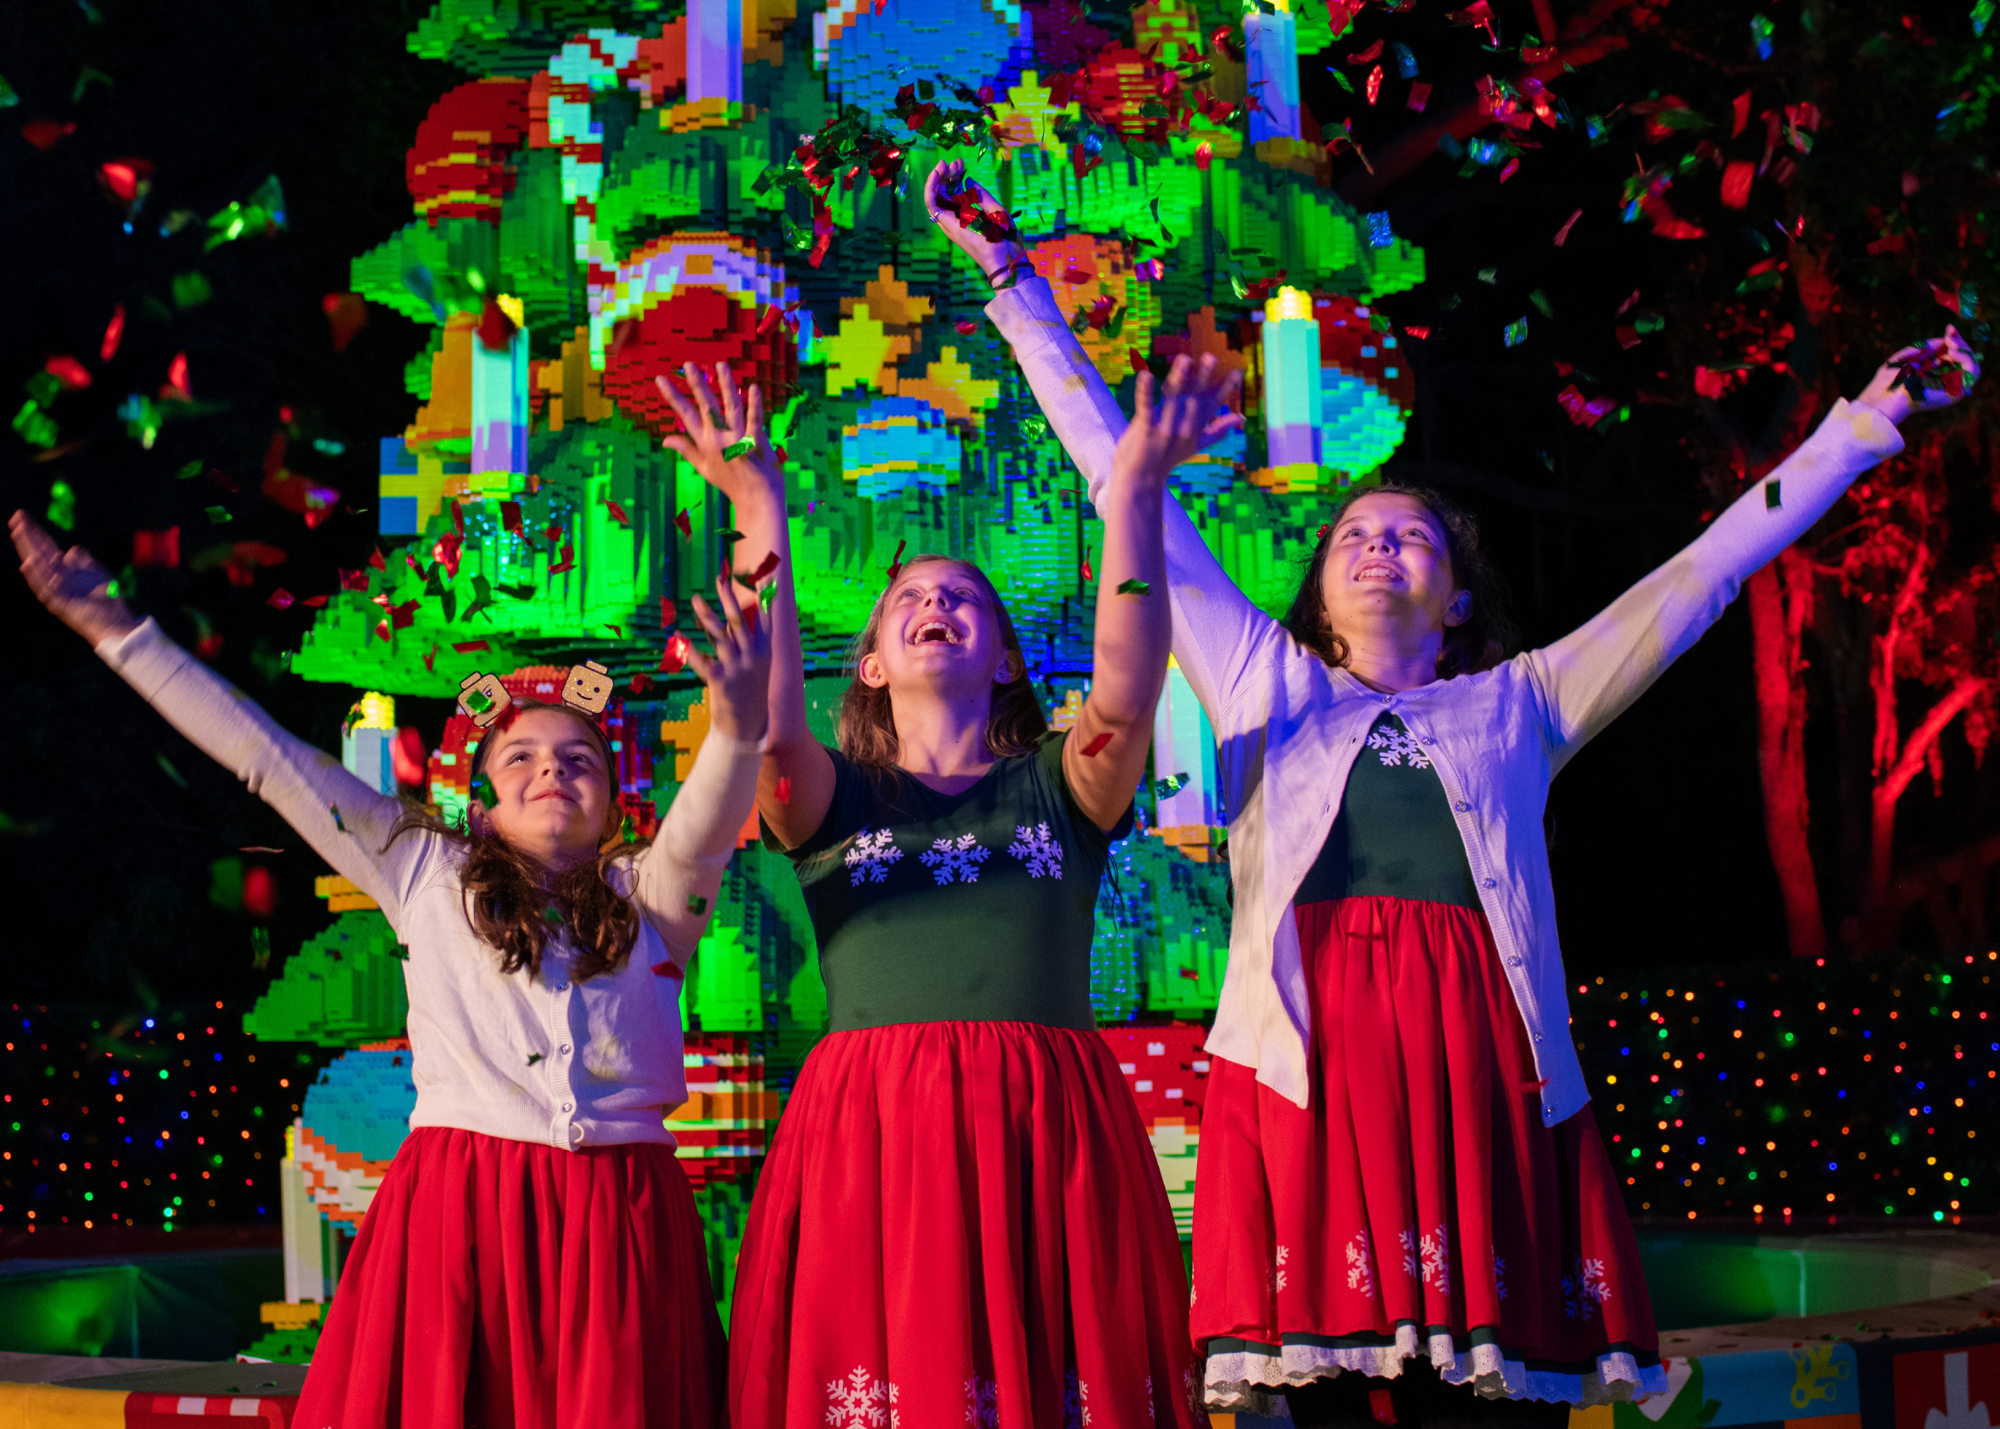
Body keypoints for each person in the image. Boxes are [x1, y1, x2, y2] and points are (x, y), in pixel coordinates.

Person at [933, 162, 1982, 1424]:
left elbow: (1703, 572)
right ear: (1316, 593)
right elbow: (1114, 471)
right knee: (1319, 1388)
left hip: (1475, 1058)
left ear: (1458, 597)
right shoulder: (1258, 675)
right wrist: (1010, 283)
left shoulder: (1522, 700)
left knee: (1480, 1395)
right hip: (1302, 1064)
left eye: (1412, 536)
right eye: (1356, 536)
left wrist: (1861, 424)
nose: (1379, 546)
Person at [11, 507, 774, 1429]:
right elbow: (267, 758)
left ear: (615, 803)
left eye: (580, 760)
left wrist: (735, 724)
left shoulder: (654, 899)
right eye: (521, 756)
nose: (552, 770)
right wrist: (121, 634)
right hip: (462, 1207)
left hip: (619, 1218)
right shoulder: (425, 867)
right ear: (484, 803)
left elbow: (717, 802)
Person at [648, 345, 1237, 1427]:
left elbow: (1127, 671)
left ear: (1006, 657)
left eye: (964, 598)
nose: (938, 605)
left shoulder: (1065, 784)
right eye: (911, 598)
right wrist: (758, 506)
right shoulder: (829, 798)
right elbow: (767, 722)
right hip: (869, 1132)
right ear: (869, 660)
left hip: (1046, 1130)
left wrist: (1136, 494)